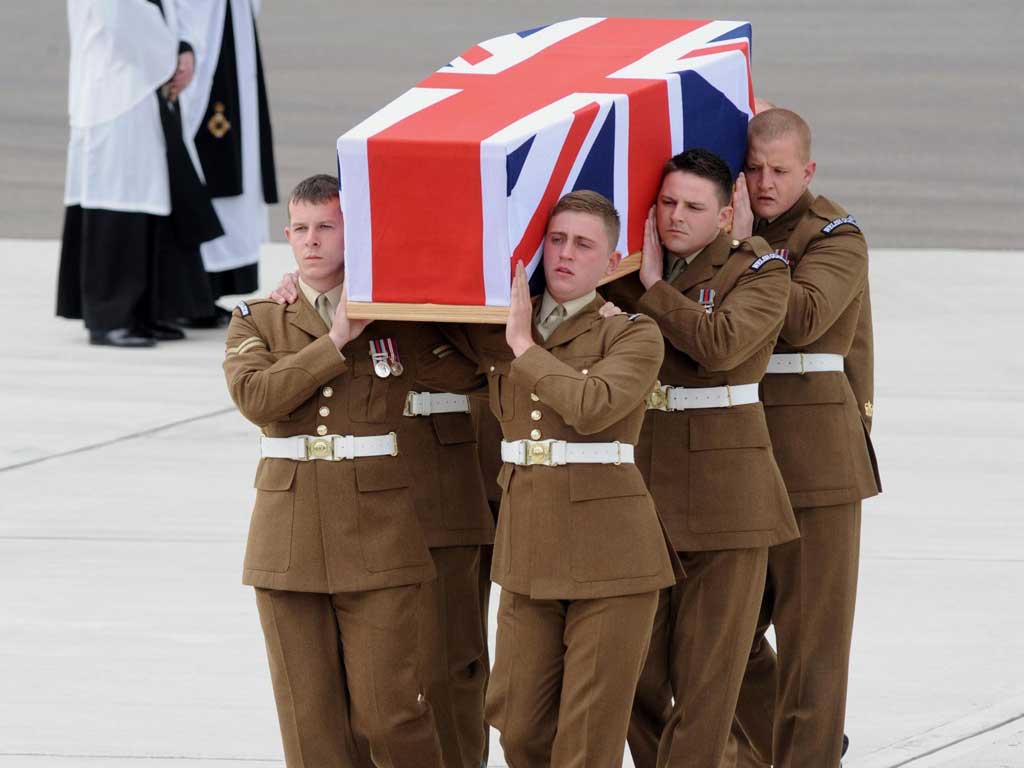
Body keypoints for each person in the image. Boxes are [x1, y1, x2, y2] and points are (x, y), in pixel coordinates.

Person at [223, 175, 493, 767]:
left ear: (357, 235)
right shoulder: (258, 318)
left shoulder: (394, 317)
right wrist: (339, 338)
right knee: (310, 724)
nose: (311, 241)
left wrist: (417, 283)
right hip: (289, 536)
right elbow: (257, 398)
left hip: (378, 537)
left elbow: (477, 371)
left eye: (327, 227)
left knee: (390, 715)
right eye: (300, 229)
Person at [452, 190, 680, 768]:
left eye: (583, 245)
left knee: (586, 743)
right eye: (556, 240)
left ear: (611, 263)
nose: (565, 254)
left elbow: (593, 405)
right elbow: (409, 328)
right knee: (521, 731)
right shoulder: (500, 325)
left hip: (612, 556)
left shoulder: (632, 333)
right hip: (529, 550)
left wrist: (525, 347)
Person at [599, 148, 798, 768]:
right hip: (644, 491)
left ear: (725, 213)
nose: (675, 217)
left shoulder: (760, 270)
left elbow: (720, 344)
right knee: (631, 677)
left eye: (692, 206)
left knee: (709, 682)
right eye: (666, 203)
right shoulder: (622, 272)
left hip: (728, 496)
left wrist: (655, 288)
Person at [725, 107, 881, 768]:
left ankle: (811, 754)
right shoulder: (723, 230)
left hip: (816, 460)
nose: (764, 182)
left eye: (779, 170)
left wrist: (739, 249)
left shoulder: (835, 235)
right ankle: (799, 746)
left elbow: (807, 315)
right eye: (754, 169)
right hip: (735, 456)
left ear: (807, 170)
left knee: (813, 644)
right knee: (715, 641)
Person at [58, 0, 222, 347]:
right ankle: (110, 317)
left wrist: (179, 49)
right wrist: (171, 59)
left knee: (147, 200)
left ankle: (142, 311)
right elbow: (121, 19)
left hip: (140, 88)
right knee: (117, 203)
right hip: (116, 92)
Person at [178, 0, 278, 325]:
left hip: (223, 22)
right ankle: (187, 291)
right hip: (197, 28)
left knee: (233, 148)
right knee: (207, 148)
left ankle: (207, 289)